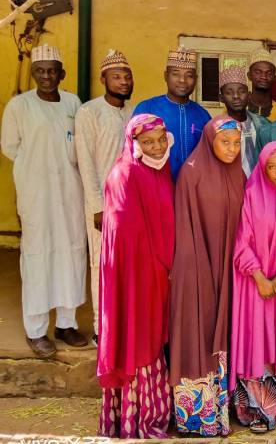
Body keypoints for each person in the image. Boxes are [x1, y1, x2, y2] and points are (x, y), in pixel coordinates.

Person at [1, 43, 88, 357]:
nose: (47, 76)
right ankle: (36, 330)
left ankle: (66, 324)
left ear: (62, 73)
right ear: (34, 74)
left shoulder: (72, 103)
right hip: (37, 194)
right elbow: (10, 147)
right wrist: (38, 171)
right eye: (40, 71)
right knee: (38, 257)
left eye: (52, 70)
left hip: (70, 194)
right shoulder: (19, 106)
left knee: (71, 254)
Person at [96, 114, 174, 439]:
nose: (156, 148)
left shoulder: (159, 170)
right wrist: (157, 269)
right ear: (134, 143)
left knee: (152, 342)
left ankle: (153, 416)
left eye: (159, 140)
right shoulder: (125, 174)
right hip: (137, 282)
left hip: (159, 275)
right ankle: (139, 420)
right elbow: (126, 239)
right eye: (147, 142)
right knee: (138, 339)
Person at [169, 116, 246, 437]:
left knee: (226, 331)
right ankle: (196, 418)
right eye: (224, 142)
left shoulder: (239, 174)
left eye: (236, 143)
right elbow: (185, 227)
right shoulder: (192, 172)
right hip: (199, 268)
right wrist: (195, 271)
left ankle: (223, 410)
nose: (231, 148)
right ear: (210, 141)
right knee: (198, 331)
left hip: (231, 268)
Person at [230, 142, 276, 433]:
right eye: (272, 166)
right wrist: (259, 277)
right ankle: (254, 409)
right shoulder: (250, 194)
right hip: (254, 284)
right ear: (262, 168)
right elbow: (240, 242)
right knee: (255, 338)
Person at [75, 49, 134, 345]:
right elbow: (85, 162)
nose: (123, 82)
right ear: (103, 79)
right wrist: (98, 206)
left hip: (130, 204)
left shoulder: (133, 112)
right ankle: (102, 329)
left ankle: (122, 325)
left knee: (126, 266)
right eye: (116, 76)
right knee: (101, 265)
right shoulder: (90, 112)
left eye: (126, 76)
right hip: (103, 205)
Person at [133, 46, 211, 181]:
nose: (182, 80)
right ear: (165, 76)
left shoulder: (203, 115)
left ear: (196, 79)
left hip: (191, 193)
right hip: (154, 190)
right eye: (176, 73)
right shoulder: (147, 108)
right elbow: (131, 153)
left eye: (189, 75)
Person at [217, 65, 268, 177]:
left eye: (241, 91)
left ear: (249, 95)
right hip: (232, 187)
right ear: (221, 98)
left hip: (259, 187)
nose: (236, 96)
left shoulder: (263, 124)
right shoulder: (216, 129)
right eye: (229, 92)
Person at [247, 48, 276, 121]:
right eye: (258, 72)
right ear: (249, 75)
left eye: (269, 73)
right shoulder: (237, 107)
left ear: (275, 78)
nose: (263, 77)